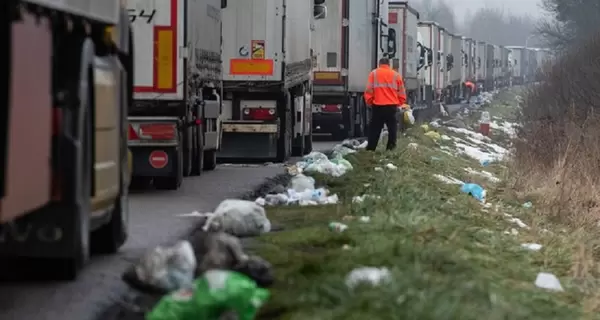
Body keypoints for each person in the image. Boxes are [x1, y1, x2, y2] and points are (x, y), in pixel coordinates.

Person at [364, 57, 407, 151]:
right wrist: (399, 103)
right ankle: (390, 148)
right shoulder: (396, 75)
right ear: (389, 65)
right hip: (391, 107)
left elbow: (368, 90)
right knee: (392, 129)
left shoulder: (374, 74)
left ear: (379, 64)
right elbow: (402, 92)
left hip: (378, 106)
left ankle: (371, 149)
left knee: (374, 129)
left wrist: (370, 102)